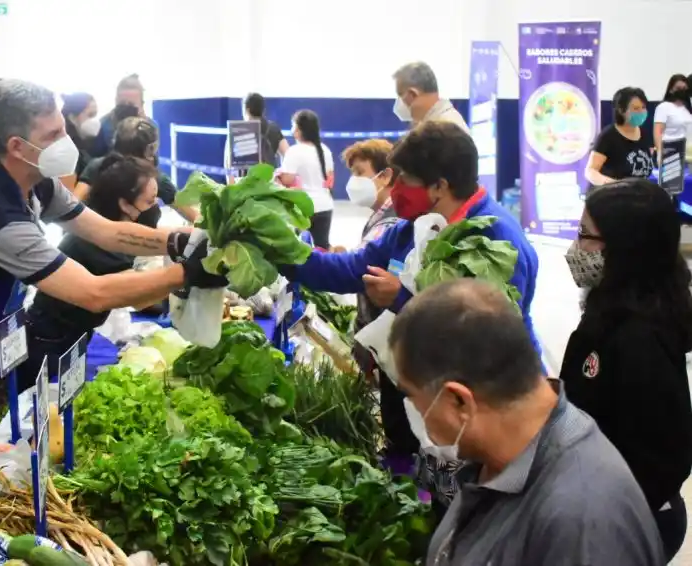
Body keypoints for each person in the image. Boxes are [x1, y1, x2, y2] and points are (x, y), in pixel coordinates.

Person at [0, 79, 222, 470]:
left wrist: (179, 242)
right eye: (54, 134)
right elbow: (92, 293)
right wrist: (186, 274)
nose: (66, 141)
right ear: (17, 147)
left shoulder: (37, 185)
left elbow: (106, 230)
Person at [281, 122, 540, 495]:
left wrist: (404, 301)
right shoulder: (411, 229)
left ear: (439, 186)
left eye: (403, 179)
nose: (393, 188)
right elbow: (349, 269)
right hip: (425, 408)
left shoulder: (494, 239)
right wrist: (281, 249)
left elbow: (485, 342)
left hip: (482, 418)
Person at [389, 279, 664, 566]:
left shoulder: (583, 525)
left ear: (459, 401)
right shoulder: (496, 462)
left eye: (411, 397)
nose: (414, 412)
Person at [560, 178, 692, 561]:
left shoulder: (640, 339)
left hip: (625, 522)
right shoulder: (610, 310)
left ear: (627, 249)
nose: (576, 248)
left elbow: (663, 458)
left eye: (586, 236)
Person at [19, 154, 161, 387]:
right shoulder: (97, 240)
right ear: (124, 203)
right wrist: (185, 275)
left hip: (72, 334)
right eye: (149, 201)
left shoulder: (111, 227)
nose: (155, 208)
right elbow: (140, 299)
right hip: (51, 340)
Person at [340, 139, 413, 464]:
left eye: (360, 172)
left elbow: (360, 272)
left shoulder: (392, 222)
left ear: (385, 176)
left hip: (390, 343)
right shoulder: (379, 217)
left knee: (400, 424)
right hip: (383, 343)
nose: (354, 181)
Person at [77, 116, 198, 222]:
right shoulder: (153, 179)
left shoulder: (96, 166)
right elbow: (195, 217)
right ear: (150, 149)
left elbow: (73, 205)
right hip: (135, 242)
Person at [277, 110, 334, 250]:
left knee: (298, 249)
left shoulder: (295, 151)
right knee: (322, 248)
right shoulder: (325, 149)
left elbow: (287, 179)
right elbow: (330, 180)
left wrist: (277, 176)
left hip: (303, 208)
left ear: (298, 129)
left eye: (293, 126)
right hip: (325, 205)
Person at [585, 87, 653, 186]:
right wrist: (615, 185)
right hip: (612, 196)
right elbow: (590, 171)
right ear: (621, 110)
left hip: (636, 196)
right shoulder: (608, 136)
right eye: (636, 108)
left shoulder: (644, 134)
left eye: (643, 107)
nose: (641, 112)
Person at [225, 93, 289, 182]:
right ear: (263, 110)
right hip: (269, 185)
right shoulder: (273, 128)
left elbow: (228, 165)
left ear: (246, 110)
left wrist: (232, 188)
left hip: (245, 186)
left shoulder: (238, 130)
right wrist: (281, 177)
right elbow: (288, 154)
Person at [392, 62, 468, 132]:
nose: (399, 102)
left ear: (413, 94)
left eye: (400, 95)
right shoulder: (437, 121)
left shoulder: (444, 129)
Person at [91, 74, 146, 157]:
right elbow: (95, 161)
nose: (126, 107)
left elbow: (153, 163)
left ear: (141, 104)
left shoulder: (150, 127)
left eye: (131, 104)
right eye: (122, 103)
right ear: (116, 101)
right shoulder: (102, 126)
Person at [653, 74, 692, 161]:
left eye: (685, 88)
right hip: (670, 155)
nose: (682, 91)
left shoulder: (687, 109)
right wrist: (660, 154)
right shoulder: (663, 107)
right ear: (671, 90)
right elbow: (657, 132)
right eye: (678, 88)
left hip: (686, 156)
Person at [61, 92, 99, 175]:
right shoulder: (67, 151)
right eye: (90, 115)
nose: (95, 121)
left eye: (96, 115)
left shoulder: (90, 144)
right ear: (72, 118)